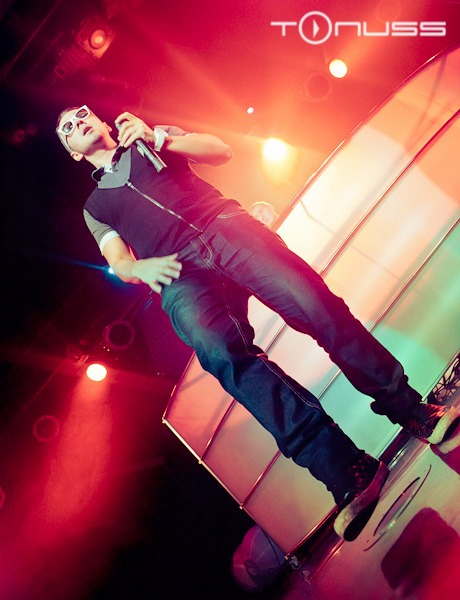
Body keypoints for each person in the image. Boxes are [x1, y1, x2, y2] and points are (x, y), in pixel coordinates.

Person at [56, 105, 459, 542]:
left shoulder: (149, 138)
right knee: (221, 354)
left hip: (223, 226)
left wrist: (160, 138)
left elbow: (219, 151)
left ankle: (411, 410)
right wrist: (139, 268)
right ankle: (348, 469)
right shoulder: (95, 207)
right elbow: (118, 260)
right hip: (178, 272)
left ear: (101, 120)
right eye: (68, 128)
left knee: (314, 306)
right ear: (73, 152)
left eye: (82, 115)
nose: (78, 123)